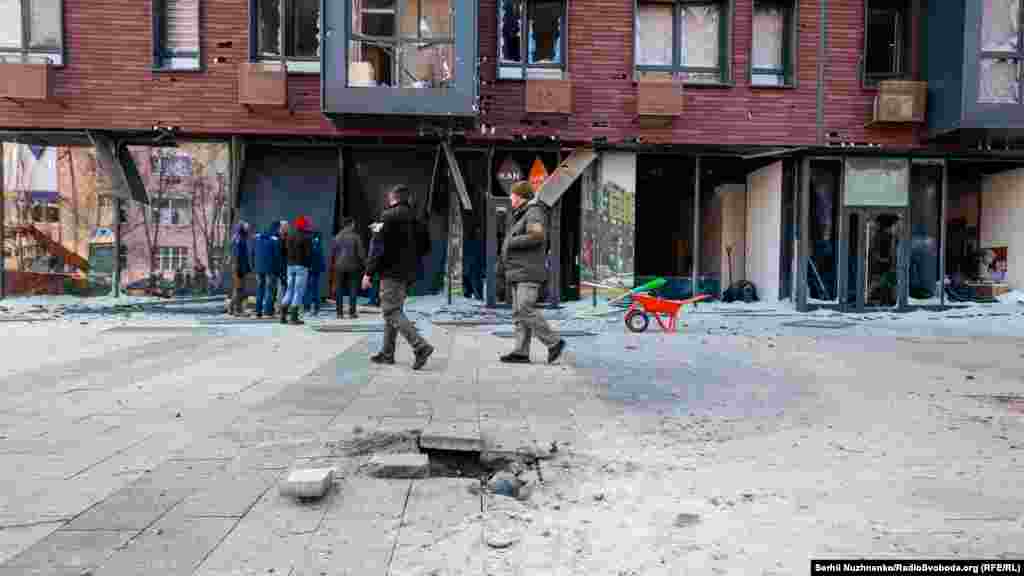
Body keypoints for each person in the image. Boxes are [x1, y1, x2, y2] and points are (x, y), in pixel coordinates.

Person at [363, 184, 434, 369]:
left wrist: (368, 273)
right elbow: (426, 247)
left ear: (393, 198)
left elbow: (376, 248)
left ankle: (420, 346)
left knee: (390, 311)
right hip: (409, 273)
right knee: (393, 312)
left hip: (390, 272)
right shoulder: (418, 218)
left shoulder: (386, 216)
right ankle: (387, 353)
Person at [500, 181, 566, 364]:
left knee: (524, 308)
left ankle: (554, 342)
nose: (510, 198)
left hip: (528, 272)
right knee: (518, 312)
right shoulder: (521, 214)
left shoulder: (534, 212)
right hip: (519, 271)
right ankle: (521, 351)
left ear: (520, 196)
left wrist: (511, 241)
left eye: (512, 195)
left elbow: (537, 236)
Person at [332, 217, 366, 319]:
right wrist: (365, 265)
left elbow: (333, 253)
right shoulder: (356, 237)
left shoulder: (337, 237)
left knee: (339, 289)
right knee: (353, 288)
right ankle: (352, 313)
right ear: (351, 224)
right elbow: (361, 253)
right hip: (352, 266)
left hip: (339, 266)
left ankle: (339, 313)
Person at [281, 216, 313, 325]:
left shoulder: (289, 236)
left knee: (289, 290)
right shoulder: (306, 237)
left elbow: (285, 250)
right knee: (298, 292)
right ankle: (294, 317)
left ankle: (283, 316)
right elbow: (309, 255)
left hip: (290, 266)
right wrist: (309, 266)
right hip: (301, 267)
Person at [252, 221, 281, 318]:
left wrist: (254, 267)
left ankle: (258, 311)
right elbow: (277, 256)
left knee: (260, 289)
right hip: (270, 269)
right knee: (270, 290)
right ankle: (268, 311)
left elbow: (252, 253)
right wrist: (278, 269)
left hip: (258, 268)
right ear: (277, 228)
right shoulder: (275, 239)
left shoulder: (257, 238)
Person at [229, 221, 252, 316]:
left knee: (238, 289)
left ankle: (232, 308)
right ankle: (238, 310)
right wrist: (240, 269)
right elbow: (238, 255)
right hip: (239, 267)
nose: (249, 229)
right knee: (240, 289)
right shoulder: (240, 239)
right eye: (247, 228)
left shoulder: (236, 238)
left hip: (238, 267)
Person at [304, 228, 325, 315]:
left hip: (309, 268)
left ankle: (307, 307)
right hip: (314, 269)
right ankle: (314, 307)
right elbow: (320, 257)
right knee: (314, 288)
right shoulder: (318, 244)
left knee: (308, 288)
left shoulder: (310, 243)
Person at [276, 220, 290, 314]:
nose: (288, 228)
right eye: (286, 227)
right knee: (281, 287)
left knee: (283, 287)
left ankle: (282, 307)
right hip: (282, 266)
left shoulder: (284, 237)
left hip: (284, 265)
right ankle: (281, 307)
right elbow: (281, 253)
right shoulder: (280, 238)